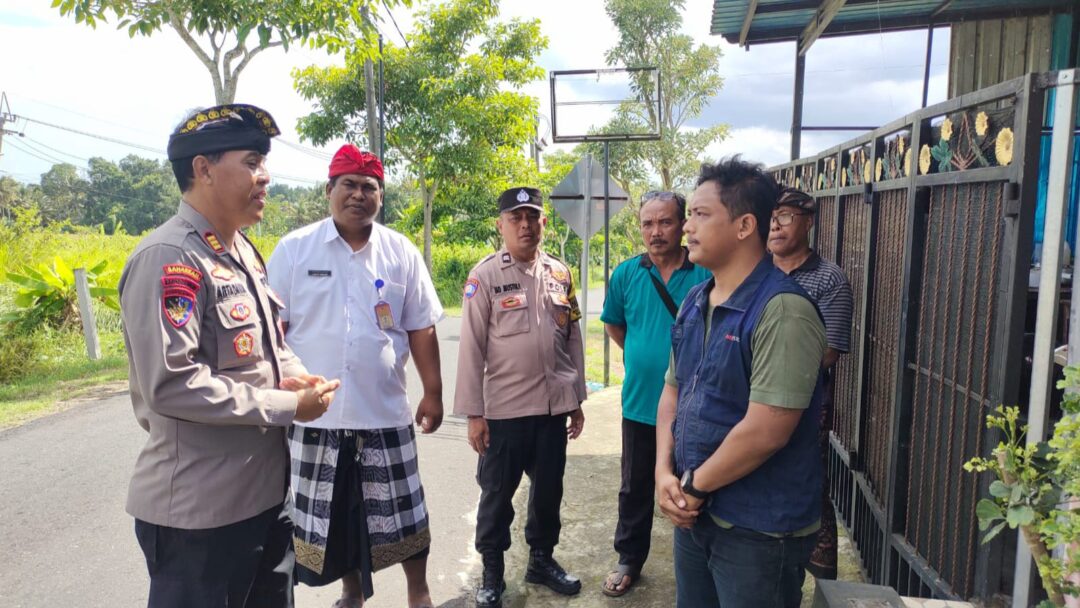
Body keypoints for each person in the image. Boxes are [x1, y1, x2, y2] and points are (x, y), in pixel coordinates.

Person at [119, 104, 340, 608]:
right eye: (252, 162)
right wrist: (288, 406)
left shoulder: (241, 252)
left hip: (264, 496)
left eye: (263, 163)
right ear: (203, 169)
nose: (266, 177)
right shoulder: (170, 257)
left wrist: (299, 378)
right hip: (199, 514)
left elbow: (268, 346)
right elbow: (173, 383)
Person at [267, 144, 445, 608]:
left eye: (370, 187)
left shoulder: (400, 251)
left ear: (381, 196)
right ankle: (351, 592)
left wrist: (433, 392)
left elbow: (421, 326)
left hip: (382, 409)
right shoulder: (294, 249)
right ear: (329, 190)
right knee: (336, 518)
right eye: (349, 184)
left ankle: (419, 591)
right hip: (315, 414)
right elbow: (273, 330)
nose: (359, 195)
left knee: (406, 510)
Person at [655, 157, 827, 608]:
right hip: (696, 514)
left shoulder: (783, 310)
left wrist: (692, 488)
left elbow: (767, 430)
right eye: (689, 214)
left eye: (701, 214)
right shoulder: (696, 299)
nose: (687, 226)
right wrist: (663, 473)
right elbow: (673, 391)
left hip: (758, 529)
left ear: (745, 225)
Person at [454, 187, 587, 608]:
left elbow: (573, 338)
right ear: (501, 225)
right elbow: (471, 349)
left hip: (551, 410)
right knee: (496, 496)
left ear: (544, 221)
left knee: (548, 492)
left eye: (532, 217)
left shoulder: (560, 273)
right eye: (516, 218)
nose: (525, 225)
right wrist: (474, 414)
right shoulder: (485, 276)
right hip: (505, 413)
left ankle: (541, 561)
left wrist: (576, 398)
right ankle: (492, 572)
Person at [599, 191, 710, 596]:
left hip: (695, 407)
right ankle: (629, 557)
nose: (655, 231)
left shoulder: (704, 272)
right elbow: (615, 325)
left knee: (698, 485)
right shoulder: (626, 274)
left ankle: (702, 564)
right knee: (635, 486)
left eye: (665, 222)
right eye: (647, 223)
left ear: (682, 225)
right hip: (641, 403)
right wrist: (643, 356)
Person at [768, 185, 854, 581]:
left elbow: (830, 351)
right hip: (752, 397)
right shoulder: (755, 269)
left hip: (806, 402)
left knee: (807, 482)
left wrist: (774, 370)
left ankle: (820, 579)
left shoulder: (829, 279)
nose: (776, 225)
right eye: (771, 217)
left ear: (808, 223)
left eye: (785, 216)